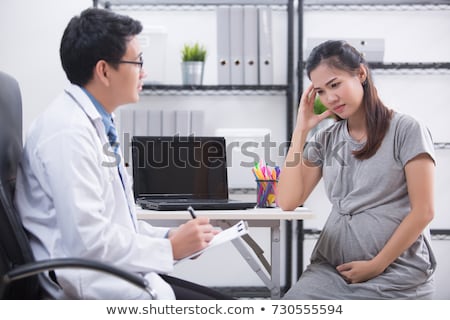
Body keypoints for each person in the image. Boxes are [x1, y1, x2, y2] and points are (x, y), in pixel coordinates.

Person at [14, 8, 231, 300]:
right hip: (85, 285)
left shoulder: (96, 122)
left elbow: (119, 225)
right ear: (104, 71)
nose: (144, 72)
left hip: (112, 273)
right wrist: (170, 249)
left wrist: (170, 238)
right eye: (137, 61)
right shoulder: (67, 133)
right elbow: (88, 241)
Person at [278, 40, 436, 299]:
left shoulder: (407, 130)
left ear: (360, 74)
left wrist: (377, 264)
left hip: (396, 274)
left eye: (335, 84)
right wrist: (300, 130)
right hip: (331, 272)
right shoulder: (325, 139)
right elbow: (286, 201)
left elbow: (424, 211)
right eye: (320, 91)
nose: (330, 98)